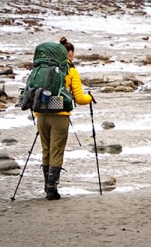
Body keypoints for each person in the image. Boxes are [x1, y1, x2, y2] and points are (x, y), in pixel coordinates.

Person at [34, 36, 94, 200]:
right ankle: (52, 189)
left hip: (41, 115)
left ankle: (47, 187)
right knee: (57, 151)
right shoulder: (71, 71)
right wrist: (90, 98)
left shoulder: (43, 69)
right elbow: (80, 99)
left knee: (46, 150)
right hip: (60, 116)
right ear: (70, 54)